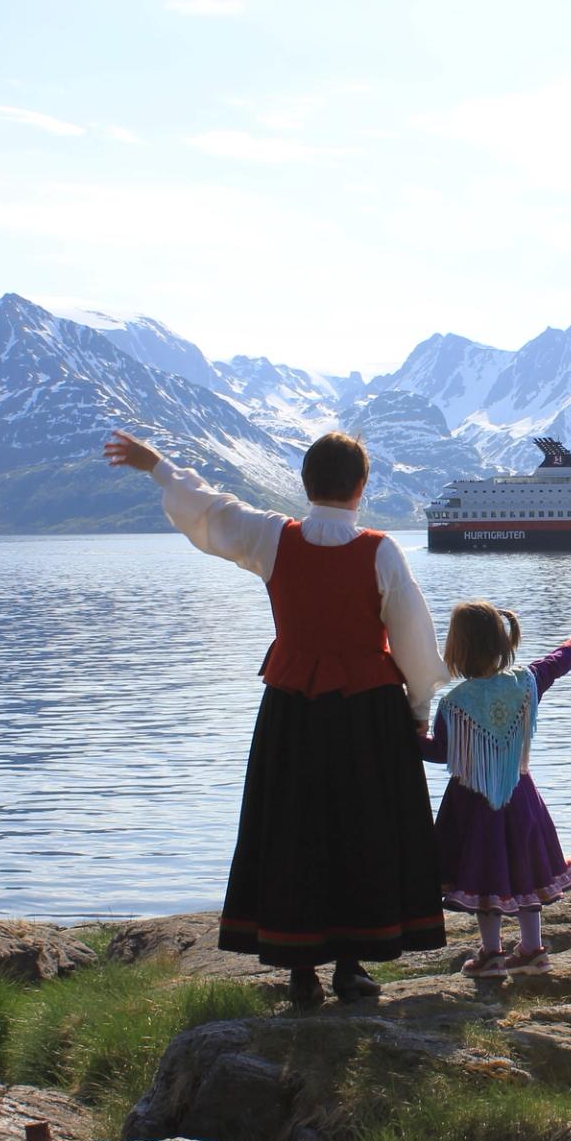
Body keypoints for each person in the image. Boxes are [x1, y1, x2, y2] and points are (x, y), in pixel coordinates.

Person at [103, 428, 449, 1006]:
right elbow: (413, 639)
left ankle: (300, 970)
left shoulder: (273, 538)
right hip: (367, 713)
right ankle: (350, 965)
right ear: (361, 487)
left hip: (293, 708)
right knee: (362, 828)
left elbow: (211, 511)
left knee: (293, 828)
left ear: (304, 484)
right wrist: (418, 712)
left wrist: (157, 466)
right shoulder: (381, 550)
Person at [419, 601, 571, 978]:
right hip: (521, 797)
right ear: (503, 642)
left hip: (470, 803)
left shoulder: (453, 704)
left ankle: (491, 954)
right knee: (527, 873)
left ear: (455, 651)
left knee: (482, 873)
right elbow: (556, 663)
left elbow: (440, 752)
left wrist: (411, 737)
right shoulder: (525, 682)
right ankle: (532, 949)